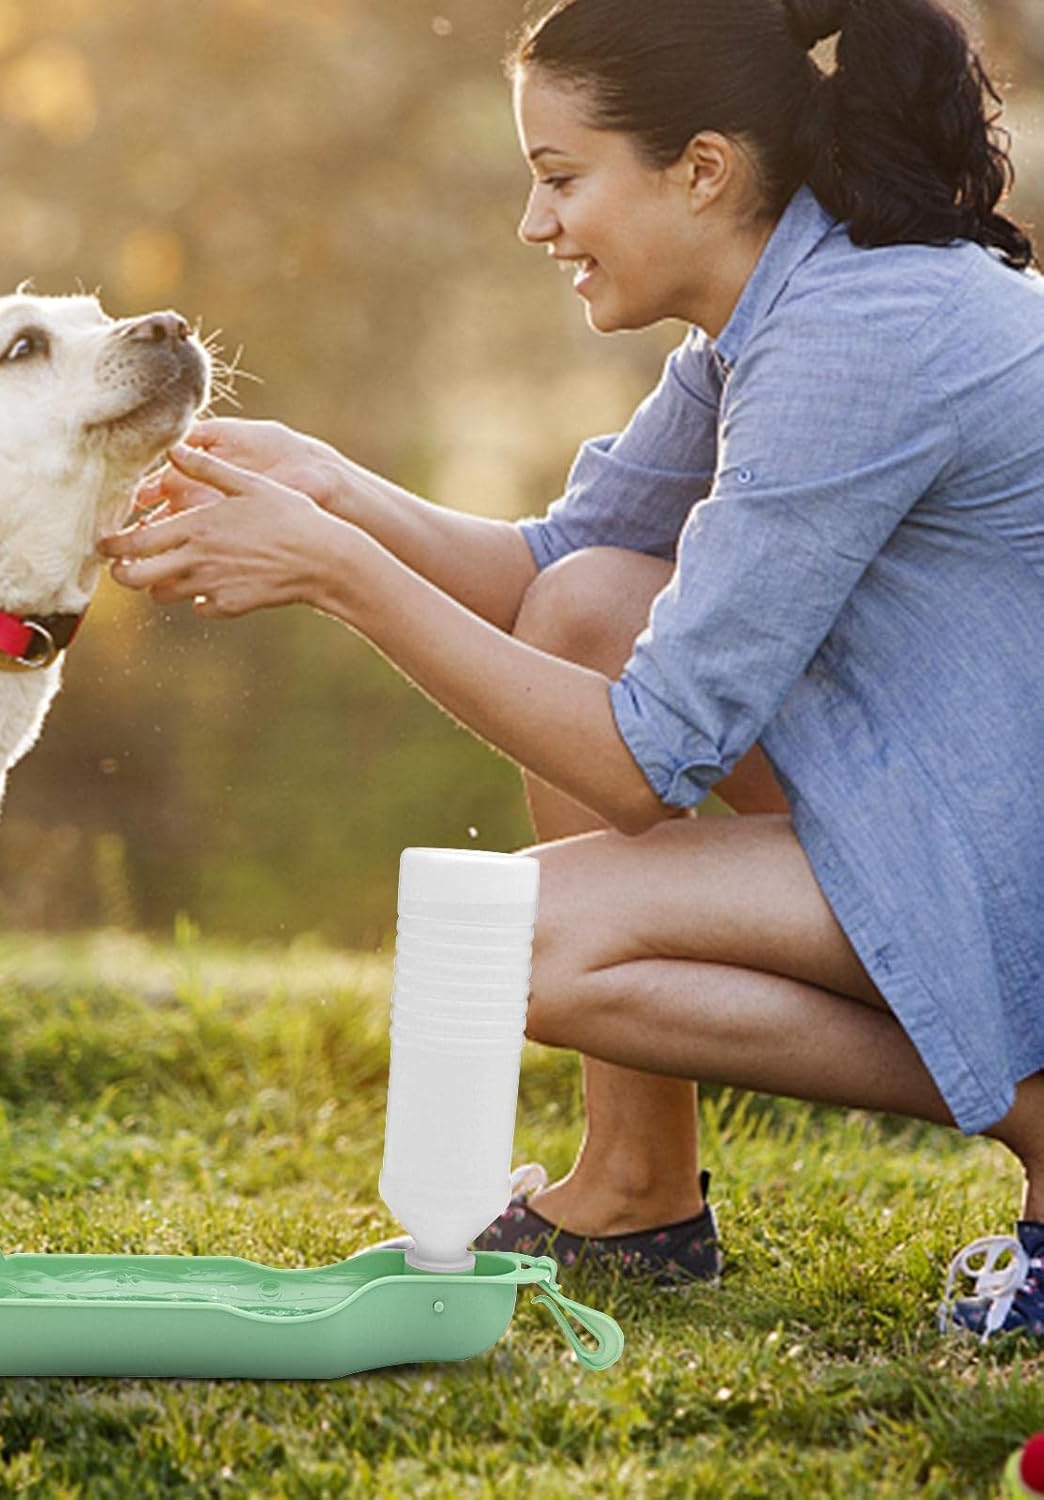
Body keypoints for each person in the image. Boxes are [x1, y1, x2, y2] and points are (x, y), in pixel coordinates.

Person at [98, 0, 1044, 1341]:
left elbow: (649, 759)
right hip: (953, 805)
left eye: (560, 179)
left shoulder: (856, 335)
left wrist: (337, 572)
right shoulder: (779, 306)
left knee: (520, 948)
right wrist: (332, 490)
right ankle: (635, 1193)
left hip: (1004, 845)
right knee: (591, 602)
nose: (534, 224)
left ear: (701, 169)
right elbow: (552, 569)